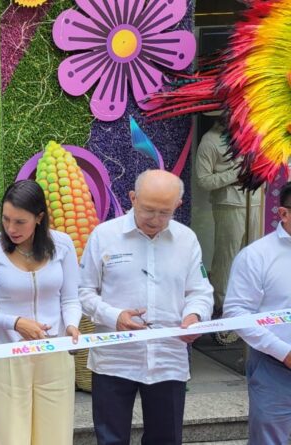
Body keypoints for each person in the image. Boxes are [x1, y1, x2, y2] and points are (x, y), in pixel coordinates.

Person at [78, 170, 213, 445]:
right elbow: (83, 291)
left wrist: (194, 315)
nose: (155, 219)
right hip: (114, 360)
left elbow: (200, 291)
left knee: (166, 439)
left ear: (177, 205)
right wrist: (114, 316)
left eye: (165, 212)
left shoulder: (186, 239)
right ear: (133, 198)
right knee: (111, 440)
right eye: (148, 210)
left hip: (168, 358)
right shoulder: (105, 235)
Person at [0, 180, 81, 445]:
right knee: (12, 436)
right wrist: (16, 323)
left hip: (54, 351)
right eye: (6, 219)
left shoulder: (63, 244)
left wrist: (71, 325)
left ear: (39, 217)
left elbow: (70, 299)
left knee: (56, 435)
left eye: (20, 222)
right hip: (8, 353)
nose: (11, 228)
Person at [223, 182, 291, 444]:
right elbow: (236, 312)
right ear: (283, 214)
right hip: (275, 364)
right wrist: (284, 352)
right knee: (269, 439)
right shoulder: (257, 256)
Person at [195, 116, 261, 316]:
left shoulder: (252, 134)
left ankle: (248, 303)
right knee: (227, 257)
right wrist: (235, 175)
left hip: (256, 201)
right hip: (228, 204)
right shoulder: (210, 140)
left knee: (253, 256)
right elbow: (203, 180)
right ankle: (221, 306)